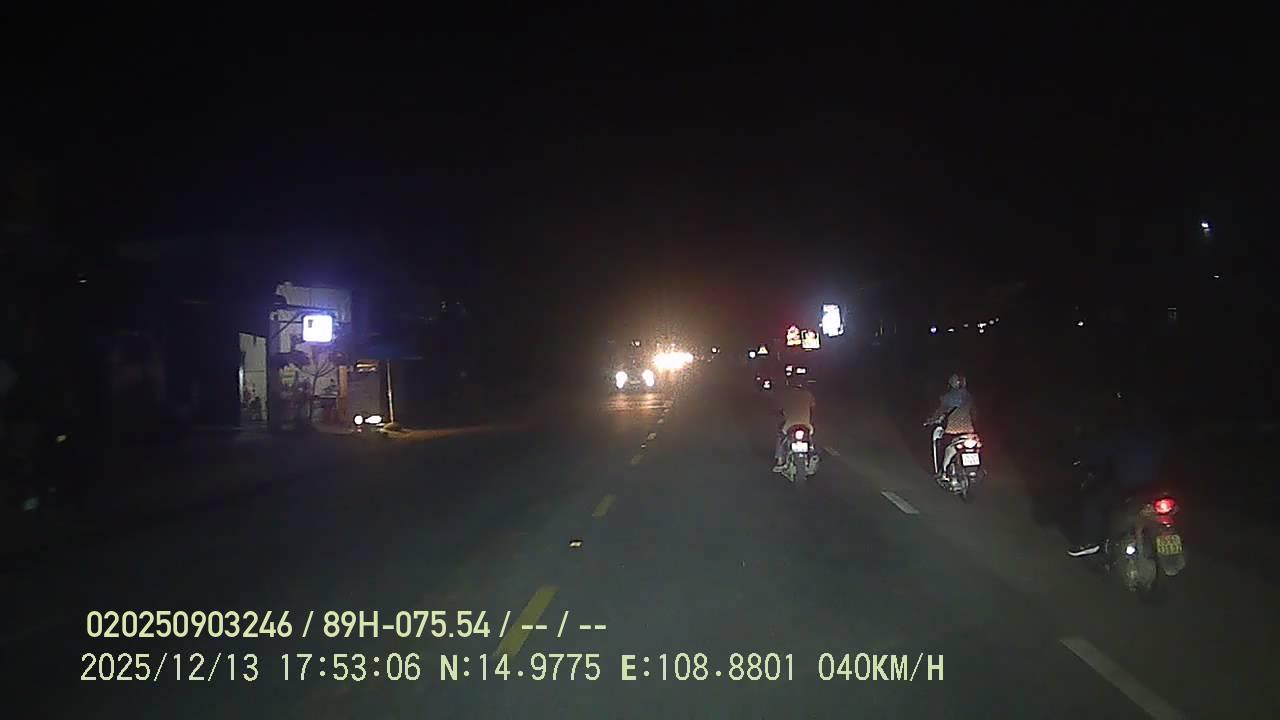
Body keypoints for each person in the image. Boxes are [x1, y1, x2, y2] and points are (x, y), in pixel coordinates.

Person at [1067, 389, 1168, 557]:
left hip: (1129, 488)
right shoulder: (1158, 432)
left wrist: (1086, 461)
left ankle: (1090, 542)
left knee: (1093, 503)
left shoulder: (1121, 434)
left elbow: (1098, 456)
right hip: (1154, 487)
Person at [926, 373, 977, 488]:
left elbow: (941, 411)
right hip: (969, 432)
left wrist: (931, 420)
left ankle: (943, 472)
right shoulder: (969, 396)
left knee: (945, 448)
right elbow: (974, 413)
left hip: (953, 430)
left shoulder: (948, 397)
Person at [773, 376, 816, 472]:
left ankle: (780, 460)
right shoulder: (808, 394)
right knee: (810, 438)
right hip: (806, 425)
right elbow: (812, 407)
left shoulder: (786, 396)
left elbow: (779, 408)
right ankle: (812, 453)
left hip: (789, 425)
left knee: (781, 437)